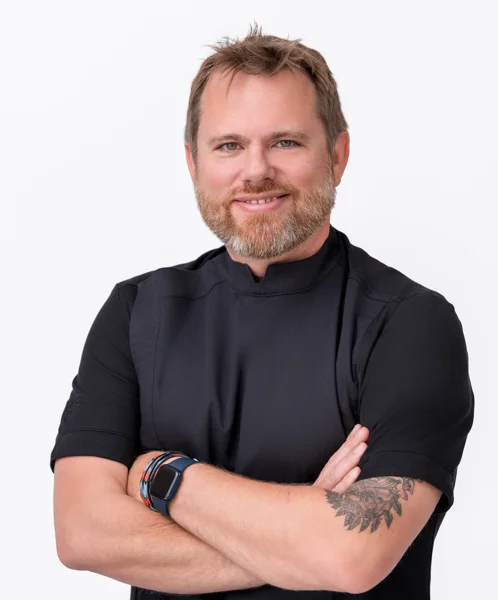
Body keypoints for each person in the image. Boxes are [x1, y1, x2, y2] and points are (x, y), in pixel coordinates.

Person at [50, 23, 474, 600]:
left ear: (338, 155)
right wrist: (303, 538)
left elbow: (351, 557)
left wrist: (163, 476)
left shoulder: (410, 324)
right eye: (228, 145)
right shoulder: (135, 312)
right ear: (193, 162)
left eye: (286, 143)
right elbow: (82, 534)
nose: (255, 170)